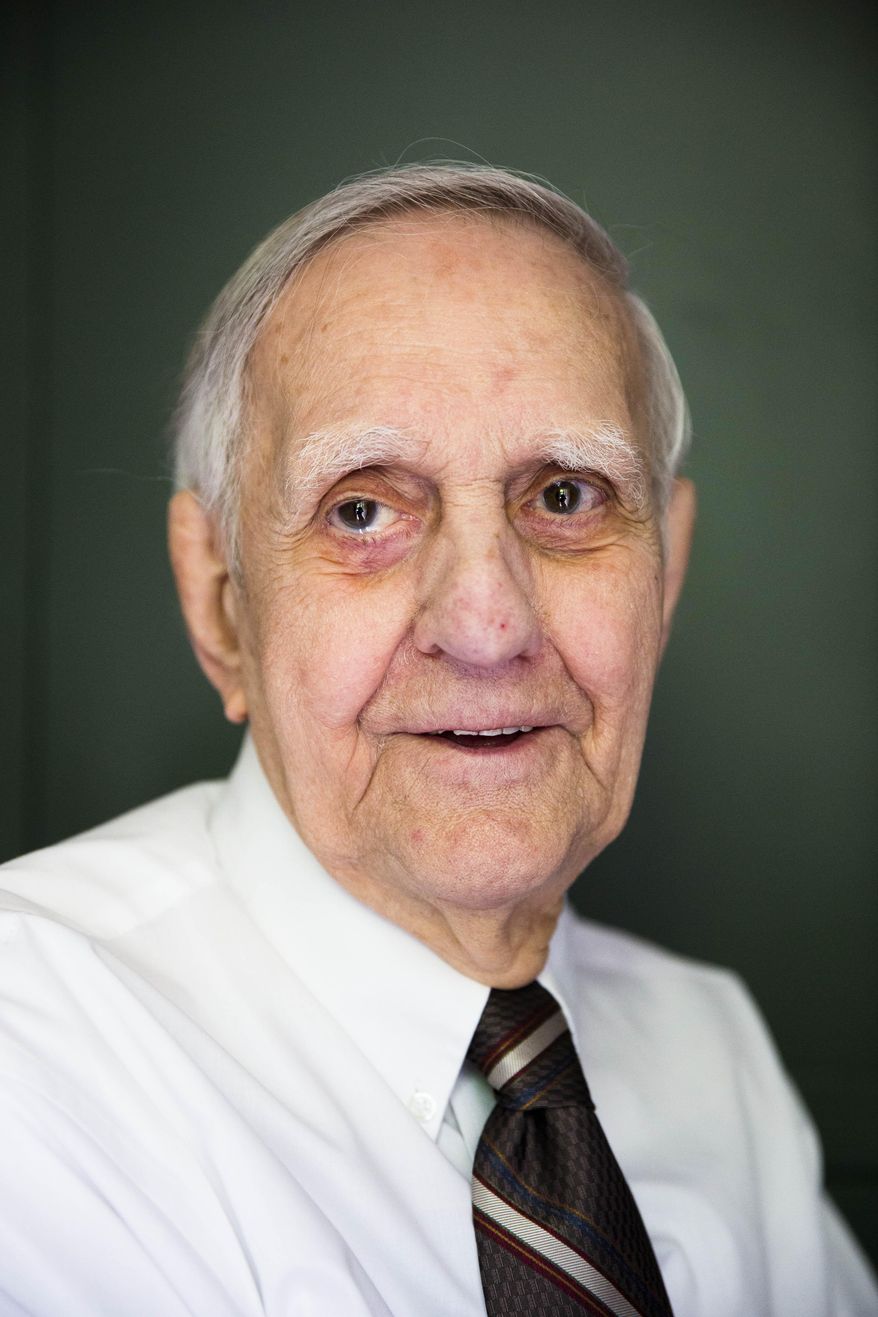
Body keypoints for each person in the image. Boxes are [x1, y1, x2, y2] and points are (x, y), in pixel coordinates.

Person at [1, 163, 875, 1317]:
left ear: (661, 581)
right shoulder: (34, 1058)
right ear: (220, 600)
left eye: (563, 497)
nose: (486, 625)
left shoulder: (710, 1047)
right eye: (361, 509)